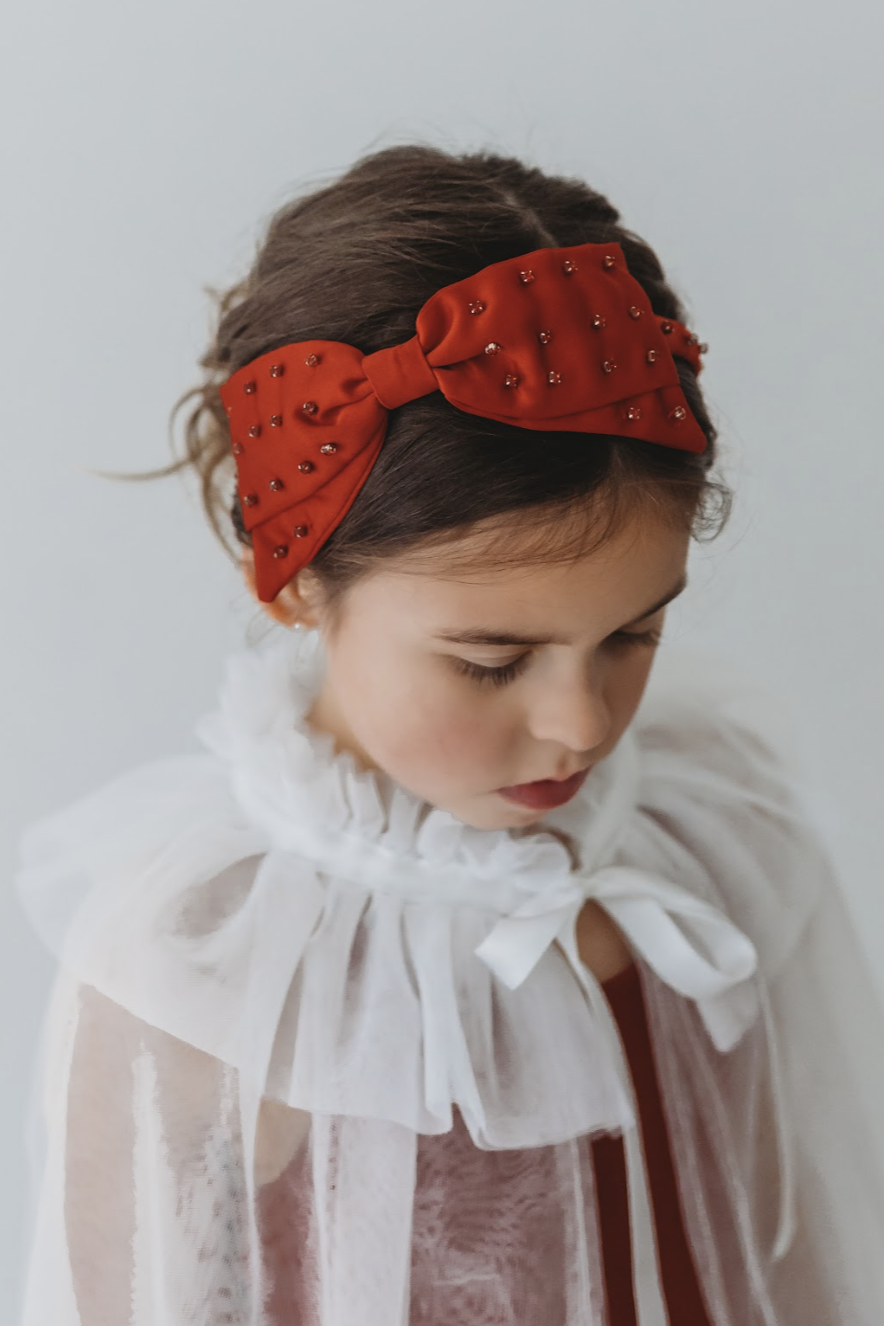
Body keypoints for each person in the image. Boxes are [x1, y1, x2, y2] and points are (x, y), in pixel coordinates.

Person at [13, 143, 884, 1326]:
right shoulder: (206, 956)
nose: (580, 728)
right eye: (491, 661)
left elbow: (779, 1248)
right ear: (294, 583)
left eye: (633, 636)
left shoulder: (711, 831)